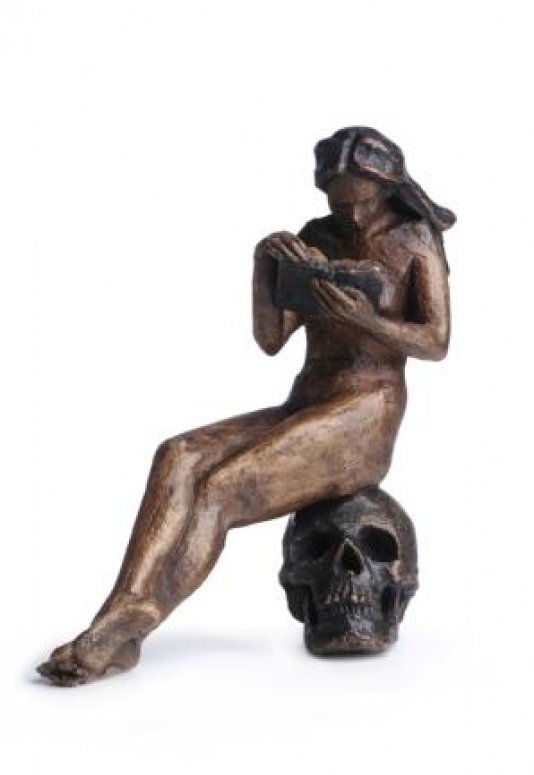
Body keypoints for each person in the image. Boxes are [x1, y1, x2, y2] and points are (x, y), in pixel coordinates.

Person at [38, 126, 455, 685]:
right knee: (178, 454)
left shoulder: (414, 239)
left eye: (361, 202)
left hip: (366, 410)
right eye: (340, 203)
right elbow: (271, 339)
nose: (352, 215)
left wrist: (365, 319)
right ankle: (123, 608)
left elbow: (436, 342)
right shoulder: (318, 236)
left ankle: (135, 623)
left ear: (386, 187)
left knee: (220, 489)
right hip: (309, 399)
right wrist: (265, 267)